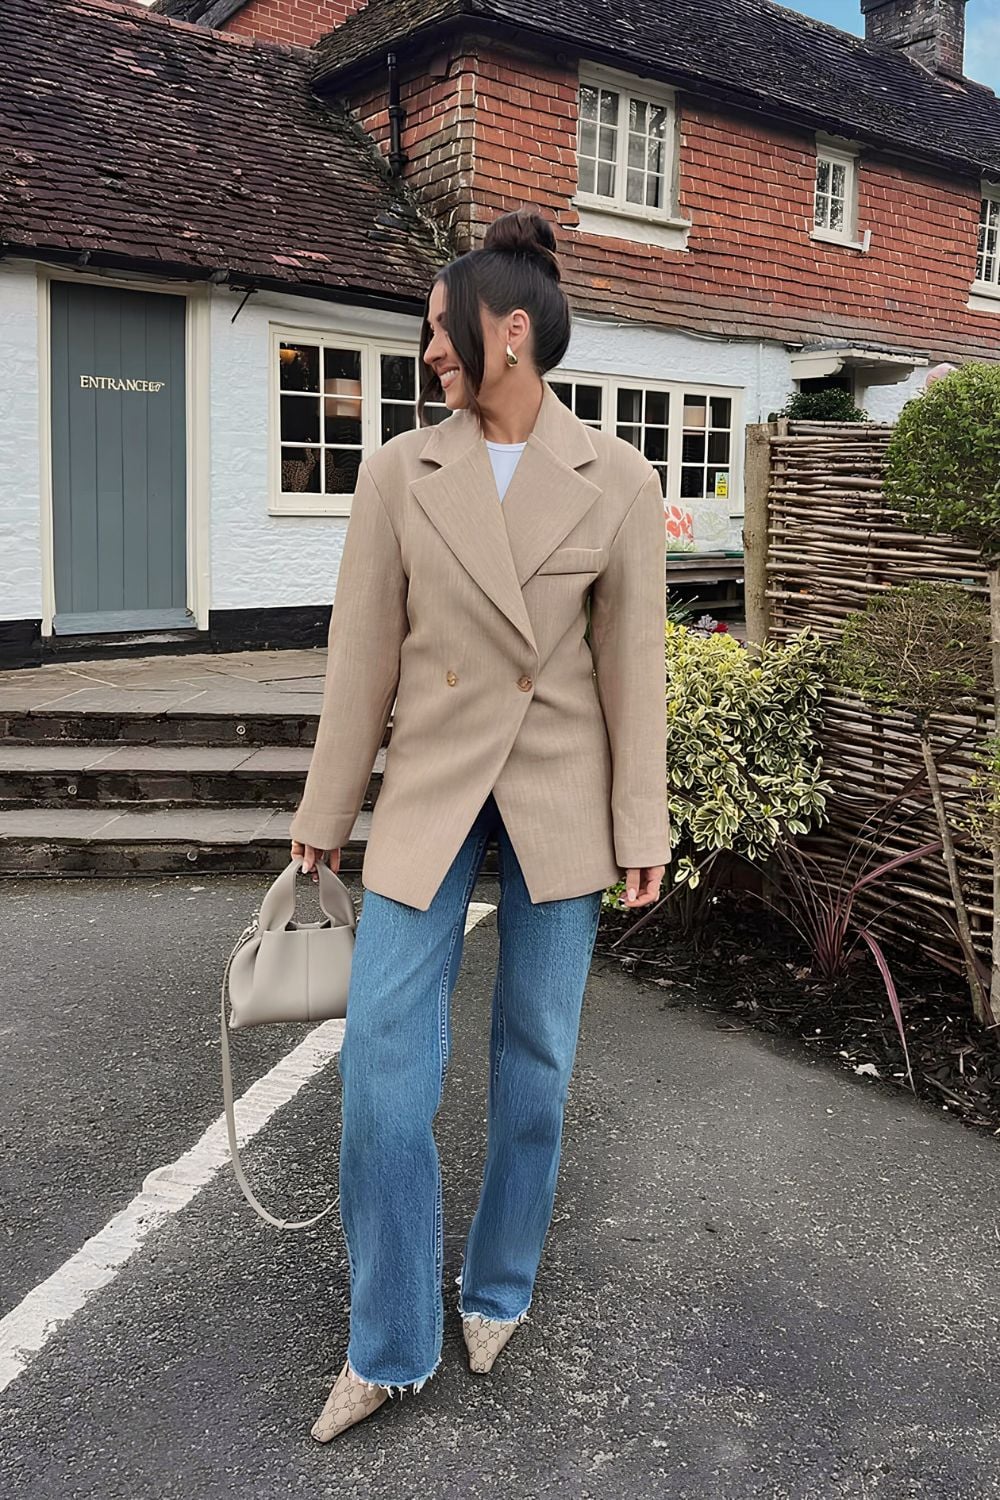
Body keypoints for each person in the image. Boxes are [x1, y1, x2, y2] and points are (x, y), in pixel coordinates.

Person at [288, 205, 670, 1441]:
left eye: (440, 330)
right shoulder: (400, 468)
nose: (429, 353)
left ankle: (496, 1284)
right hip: (435, 788)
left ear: (508, 331)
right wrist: (325, 808)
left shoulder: (616, 476)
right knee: (383, 1081)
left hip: (558, 788)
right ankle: (390, 1340)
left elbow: (633, 670)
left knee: (538, 1072)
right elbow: (363, 655)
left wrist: (640, 825)